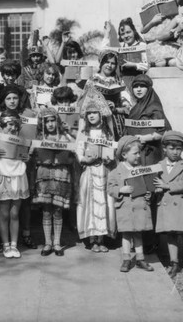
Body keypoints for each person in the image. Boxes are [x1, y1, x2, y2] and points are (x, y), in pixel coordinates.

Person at [124, 74, 171, 254]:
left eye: (142, 86)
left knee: (150, 195)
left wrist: (146, 137)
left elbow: (163, 132)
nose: (139, 90)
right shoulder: (135, 108)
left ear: (149, 88)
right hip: (135, 158)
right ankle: (139, 239)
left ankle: (152, 240)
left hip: (150, 157)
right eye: (136, 86)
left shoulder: (154, 107)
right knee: (136, 194)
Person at [153, 131, 183, 277]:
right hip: (167, 204)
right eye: (172, 148)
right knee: (171, 236)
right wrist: (154, 189)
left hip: (182, 205)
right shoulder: (158, 166)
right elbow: (153, 183)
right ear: (164, 149)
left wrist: (166, 185)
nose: (175, 152)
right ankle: (174, 263)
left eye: (179, 148)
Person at [0, 110, 30, 258]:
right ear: (2, 125)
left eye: (15, 125)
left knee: (15, 213)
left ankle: (14, 245)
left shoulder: (22, 140)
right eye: (9, 125)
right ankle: (5, 245)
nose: (12, 128)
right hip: (3, 178)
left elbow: (26, 157)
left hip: (18, 178)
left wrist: (27, 157)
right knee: (4, 214)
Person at [107, 136, 154, 273]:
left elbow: (147, 186)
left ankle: (140, 259)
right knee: (126, 235)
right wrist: (120, 190)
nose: (138, 156)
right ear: (124, 154)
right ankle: (126, 259)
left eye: (139, 153)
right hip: (125, 208)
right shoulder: (116, 172)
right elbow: (110, 189)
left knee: (138, 233)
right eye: (135, 153)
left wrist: (148, 194)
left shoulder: (142, 170)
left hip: (139, 207)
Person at [33, 107, 75, 257]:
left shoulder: (65, 137)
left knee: (57, 209)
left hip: (60, 174)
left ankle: (57, 242)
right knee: (46, 209)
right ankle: (47, 243)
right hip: (44, 174)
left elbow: (76, 151)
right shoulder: (38, 138)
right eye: (46, 121)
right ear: (42, 123)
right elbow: (31, 155)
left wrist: (68, 159)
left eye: (52, 120)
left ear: (57, 121)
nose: (50, 124)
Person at [76, 102, 116, 252]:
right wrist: (84, 159)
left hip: (104, 170)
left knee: (104, 202)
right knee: (90, 203)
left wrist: (109, 158)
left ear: (101, 115)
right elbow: (79, 150)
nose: (91, 116)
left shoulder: (107, 133)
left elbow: (112, 149)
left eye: (94, 113)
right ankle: (92, 239)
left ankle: (102, 238)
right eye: (89, 113)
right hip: (89, 171)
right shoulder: (84, 133)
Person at [81, 49, 132, 140]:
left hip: (116, 119)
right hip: (97, 120)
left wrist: (115, 108)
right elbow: (84, 102)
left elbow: (128, 105)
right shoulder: (92, 79)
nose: (109, 65)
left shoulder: (119, 81)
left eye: (113, 63)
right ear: (101, 63)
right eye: (107, 62)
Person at [117, 18, 148, 91]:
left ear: (134, 31)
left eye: (128, 32)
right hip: (123, 83)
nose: (126, 36)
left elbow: (146, 66)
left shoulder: (141, 45)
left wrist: (132, 64)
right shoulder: (120, 47)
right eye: (122, 34)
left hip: (137, 82)